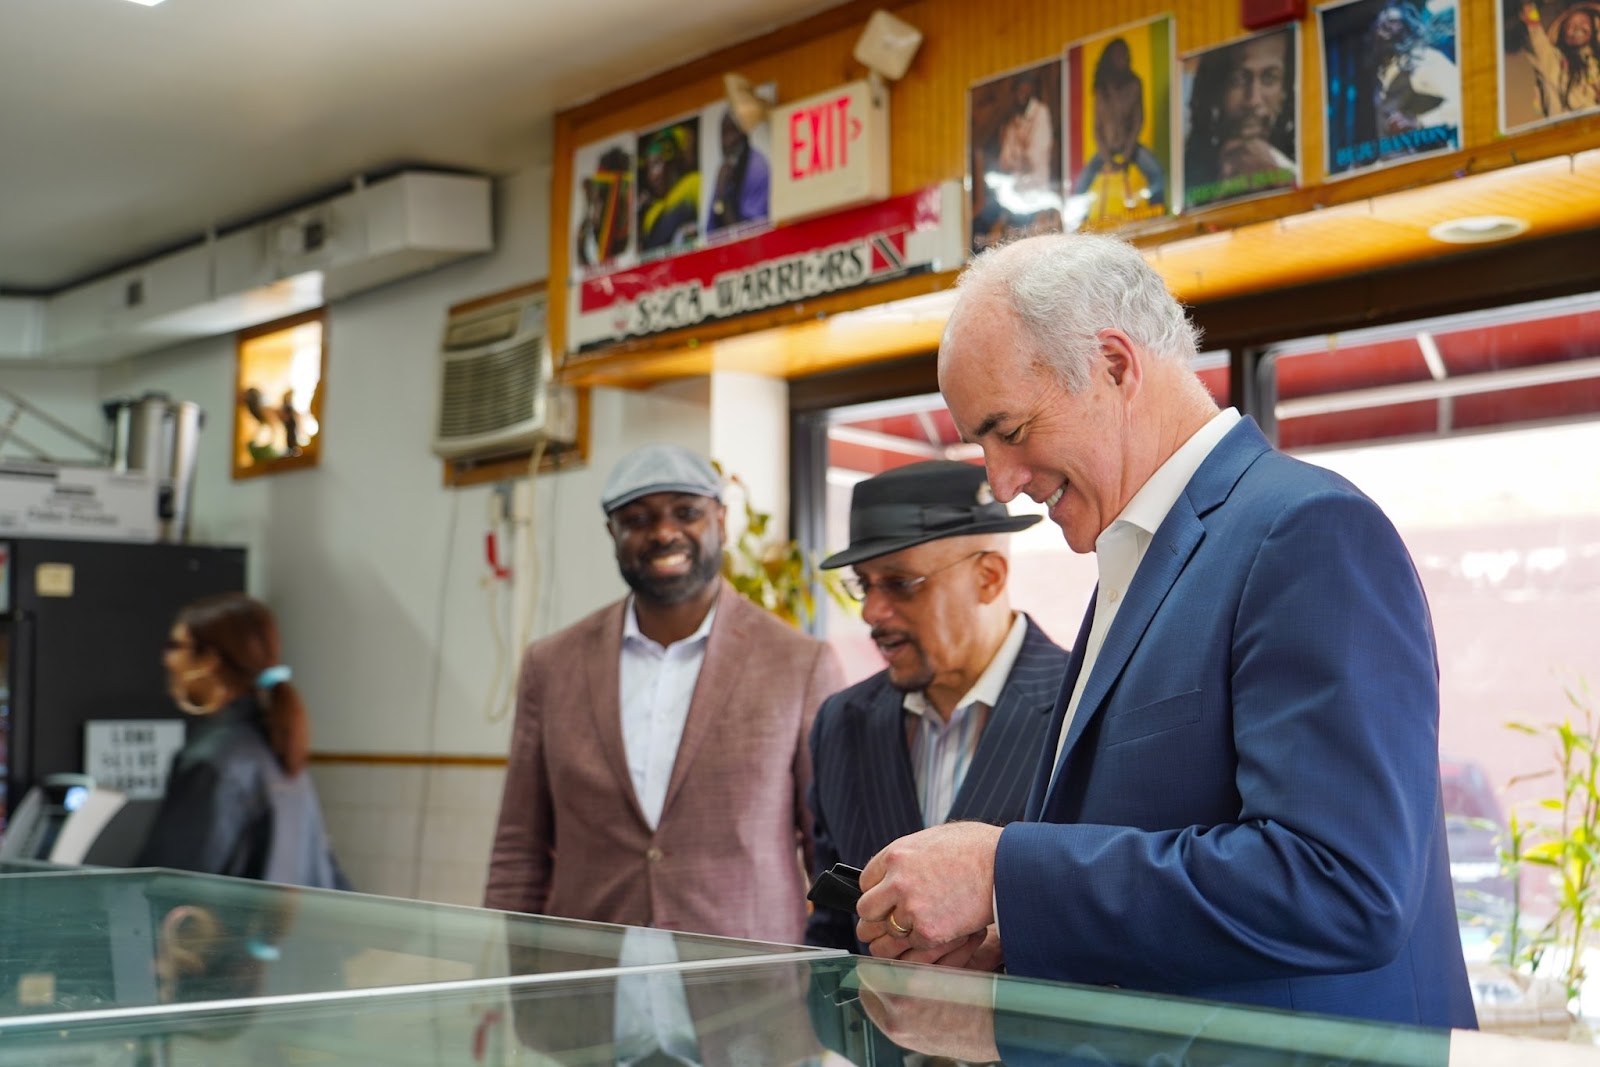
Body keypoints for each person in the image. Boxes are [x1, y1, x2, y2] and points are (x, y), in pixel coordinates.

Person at [851, 233, 1476, 1030]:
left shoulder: (1308, 530)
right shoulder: (1137, 558)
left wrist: (1002, 870)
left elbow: (1341, 885)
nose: (1000, 481)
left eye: (1008, 430)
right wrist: (1019, 942)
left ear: (1115, 366)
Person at [484, 443, 845, 943]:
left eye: (686, 512)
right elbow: (520, 846)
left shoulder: (799, 663)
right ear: (612, 533)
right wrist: (516, 982)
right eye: (637, 518)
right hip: (585, 980)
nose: (663, 532)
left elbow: (830, 851)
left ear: (720, 520)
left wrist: (835, 985)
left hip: (750, 990)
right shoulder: (552, 665)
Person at [804, 459, 1067, 952]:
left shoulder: (1086, 709)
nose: (870, 611)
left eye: (901, 584)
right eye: (864, 584)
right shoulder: (840, 723)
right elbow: (831, 934)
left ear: (988, 577)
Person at [138, 594, 349, 890]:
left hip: (232, 936)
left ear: (209, 660)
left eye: (175, 647)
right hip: (288, 935)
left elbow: (174, 881)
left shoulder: (215, 758)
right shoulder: (279, 747)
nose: (167, 659)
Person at [1184, 30, 1295, 207]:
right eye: (1238, 80)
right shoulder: (1186, 172)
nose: (1253, 100)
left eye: (1269, 78)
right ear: (1215, 90)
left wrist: (1278, 172)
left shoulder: (1302, 164)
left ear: (1286, 90)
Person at [1070, 38, 1167, 224]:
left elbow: (1138, 120)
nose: (1123, 58)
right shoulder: (1101, 87)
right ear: (1110, 58)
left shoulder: (1134, 83)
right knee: (1081, 184)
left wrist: (1128, 153)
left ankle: (1158, 213)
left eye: (1125, 54)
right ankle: (1078, 223)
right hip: (1106, 149)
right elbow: (1097, 128)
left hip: (1130, 145)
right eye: (1119, 55)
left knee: (1156, 172)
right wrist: (1107, 159)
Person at [1519, 1, 1600, 117]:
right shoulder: (1554, 61)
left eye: (1584, 22)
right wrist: (1528, 7)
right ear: (1562, 34)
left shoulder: (1595, 61)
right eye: (1570, 25)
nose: (1577, 27)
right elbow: (1535, 32)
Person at [637, 127, 701, 254]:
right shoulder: (651, 214)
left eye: (656, 164)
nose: (651, 176)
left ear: (672, 161)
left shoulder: (694, 183)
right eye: (648, 168)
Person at [705, 111, 769, 235]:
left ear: (744, 134)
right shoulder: (724, 173)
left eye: (732, 131)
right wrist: (720, 195)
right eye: (724, 134)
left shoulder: (757, 168)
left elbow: (750, 237)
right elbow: (710, 232)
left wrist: (723, 197)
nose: (727, 141)